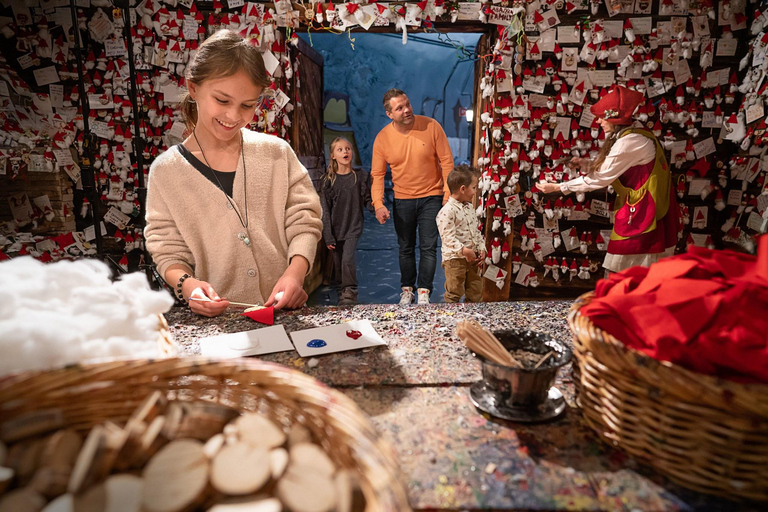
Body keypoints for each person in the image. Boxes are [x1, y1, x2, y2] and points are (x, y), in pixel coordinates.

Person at [145, 30, 322, 317]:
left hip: (281, 314)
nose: (233, 116)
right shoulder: (166, 172)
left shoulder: (276, 153)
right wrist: (189, 286)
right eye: (222, 100)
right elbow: (166, 248)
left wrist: (295, 272)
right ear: (193, 88)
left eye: (248, 105)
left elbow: (304, 219)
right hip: (218, 326)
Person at [537, 85, 678, 273]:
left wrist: (558, 187)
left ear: (615, 119)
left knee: (623, 266)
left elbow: (601, 178)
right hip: (644, 207)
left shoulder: (630, 141)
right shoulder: (633, 132)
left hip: (643, 211)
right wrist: (586, 164)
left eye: (603, 117)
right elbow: (617, 165)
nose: (598, 121)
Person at [371, 89, 454, 305]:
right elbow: (378, 175)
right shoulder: (383, 138)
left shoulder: (431, 126)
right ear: (389, 114)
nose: (407, 110)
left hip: (432, 196)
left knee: (428, 246)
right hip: (403, 199)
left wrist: (447, 194)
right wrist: (378, 204)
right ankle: (407, 290)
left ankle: (424, 291)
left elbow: (446, 161)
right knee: (405, 247)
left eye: (407, 104)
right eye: (400, 108)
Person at [320, 137, 375, 306]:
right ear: (333, 156)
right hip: (336, 229)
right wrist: (328, 236)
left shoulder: (360, 176)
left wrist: (376, 207)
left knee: (347, 260)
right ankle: (341, 290)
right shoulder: (328, 180)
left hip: (353, 226)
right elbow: (325, 210)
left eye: (348, 148)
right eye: (340, 149)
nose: (345, 151)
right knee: (338, 263)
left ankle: (350, 290)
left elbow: (367, 199)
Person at [436, 166, 485, 303]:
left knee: (476, 291)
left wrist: (481, 248)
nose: (476, 191)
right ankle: (452, 320)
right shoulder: (447, 212)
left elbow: (476, 231)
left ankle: (473, 319)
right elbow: (448, 238)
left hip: (472, 258)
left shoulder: (469, 207)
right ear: (463, 189)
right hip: (454, 260)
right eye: (474, 187)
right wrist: (464, 251)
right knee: (454, 291)